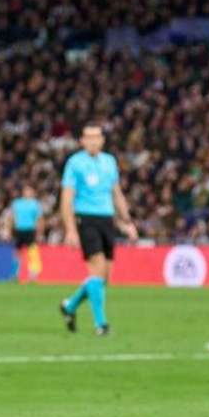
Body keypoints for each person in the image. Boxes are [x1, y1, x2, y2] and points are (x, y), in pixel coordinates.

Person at [58, 123, 139, 336]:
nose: (92, 141)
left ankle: (70, 306)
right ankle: (100, 324)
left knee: (104, 278)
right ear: (82, 141)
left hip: (107, 220)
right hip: (86, 220)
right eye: (88, 137)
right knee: (96, 268)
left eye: (96, 137)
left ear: (102, 140)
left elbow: (116, 193)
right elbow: (67, 197)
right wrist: (71, 229)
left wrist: (127, 222)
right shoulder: (75, 163)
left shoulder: (110, 162)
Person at [4, 183, 43, 283]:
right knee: (17, 253)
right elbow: (11, 217)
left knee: (32, 253)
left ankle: (33, 276)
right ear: (23, 192)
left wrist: (39, 233)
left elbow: (39, 220)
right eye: (26, 191)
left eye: (30, 191)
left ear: (33, 192)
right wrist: (8, 230)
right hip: (19, 230)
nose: (28, 193)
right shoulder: (17, 203)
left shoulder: (35, 204)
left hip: (30, 230)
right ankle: (14, 274)